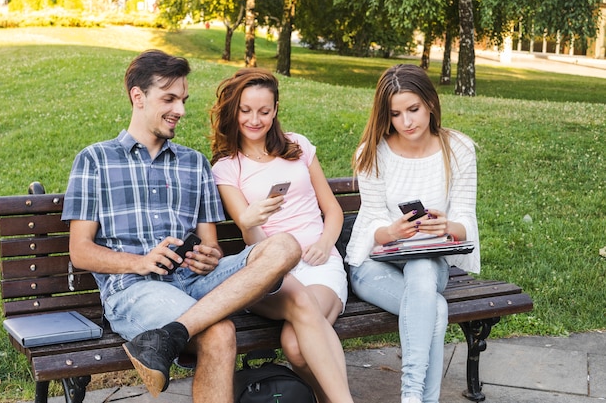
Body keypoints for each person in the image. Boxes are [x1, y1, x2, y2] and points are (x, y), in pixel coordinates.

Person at [61, 50, 301, 402]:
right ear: (138, 97)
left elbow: (212, 247)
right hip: (134, 290)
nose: (181, 110)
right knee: (219, 333)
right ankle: (174, 332)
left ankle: (169, 336)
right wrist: (139, 262)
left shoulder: (194, 163)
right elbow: (80, 251)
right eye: (169, 99)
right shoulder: (96, 159)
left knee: (285, 246)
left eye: (183, 100)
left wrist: (208, 256)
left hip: (195, 282)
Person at [209, 68, 354, 403]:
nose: (254, 120)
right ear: (234, 110)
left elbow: (332, 211)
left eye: (263, 111)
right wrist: (251, 219)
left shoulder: (298, 146)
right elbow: (251, 236)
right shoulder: (227, 167)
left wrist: (323, 244)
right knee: (297, 341)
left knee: (294, 345)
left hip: (319, 267)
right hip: (271, 273)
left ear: (275, 110)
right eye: (245, 110)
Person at [345, 64, 480, 403]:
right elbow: (372, 221)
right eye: (395, 114)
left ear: (431, 103)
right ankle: (420, 398)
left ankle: (410, 395)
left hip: (428, 261)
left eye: (413, 109)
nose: (406, 122)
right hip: (374, 264)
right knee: (435, 309)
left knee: (421, 269)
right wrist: (391, 230)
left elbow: (465, 215)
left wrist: (447, 226)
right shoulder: (372, 153)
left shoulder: (459, 149)